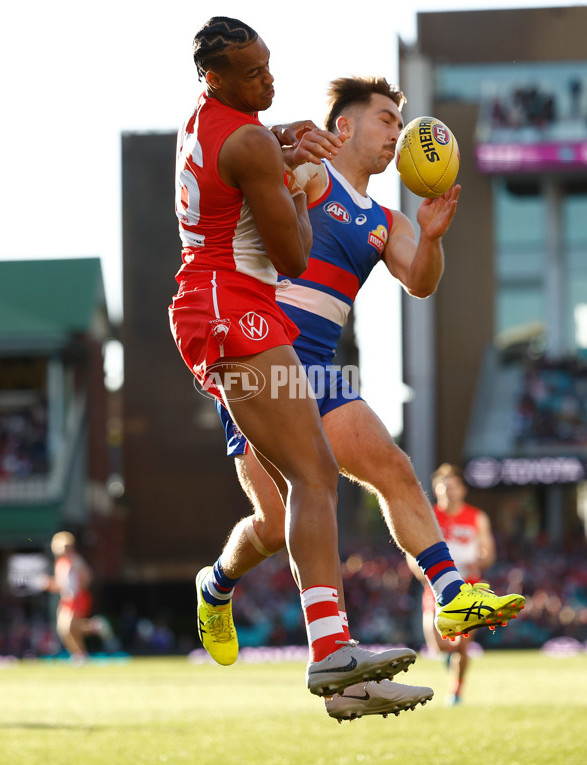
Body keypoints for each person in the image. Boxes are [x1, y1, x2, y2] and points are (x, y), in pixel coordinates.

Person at [195, 73, 525, 720]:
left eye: (398, 127)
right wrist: (290, 150)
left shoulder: (385, 218)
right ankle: (216, 584)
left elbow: (420, 282)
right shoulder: (313, 174)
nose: (394, 136)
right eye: (383, 122)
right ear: (343, 126)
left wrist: (429, 237)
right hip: (261, 357)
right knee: (270, 524)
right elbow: (258, 169)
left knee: (395, 469)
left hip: (317, 369)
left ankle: (451, 591)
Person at [169, 17, 417, 700]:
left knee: (293, 501)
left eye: (269, 65)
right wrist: (304, 177)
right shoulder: (250, 141)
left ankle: (333, 668)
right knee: (314, 474)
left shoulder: (208, 119)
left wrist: (282, 149)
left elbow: (242, 163)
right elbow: (295, 255)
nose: (269, 81)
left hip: (222, 305)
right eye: (253, 73)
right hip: (233, 311)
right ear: (215, 77)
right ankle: (332, 657)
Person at [408, 464, 498, 706]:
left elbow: (488, 551)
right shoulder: (429, 517)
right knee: (437, 642)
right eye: (443, 487)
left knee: (462, 643)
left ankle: (456, 690)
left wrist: (481, 558)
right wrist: (420, 571)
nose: (448, 491)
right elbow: (412, 550)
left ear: (463, 489)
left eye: (453, 486)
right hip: (436, 586)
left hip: (468, 586)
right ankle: (449, 657)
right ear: (436, 491)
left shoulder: (476, 517)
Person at [42, 531, 112, 663]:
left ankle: (91, 633)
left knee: (68, 627)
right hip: (67, 599)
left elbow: (87, 575)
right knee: (65, 630)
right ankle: (82, 651)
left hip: (77, 598)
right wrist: (49, 584)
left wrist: (78, 590)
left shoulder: (75, 559)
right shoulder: (60, 563)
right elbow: (61, 585)